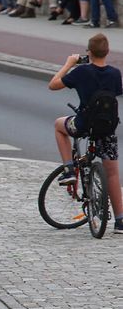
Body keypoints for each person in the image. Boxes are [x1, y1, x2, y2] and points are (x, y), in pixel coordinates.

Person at [49, 34, 123, 233]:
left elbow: (53, 85)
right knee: (113, 172)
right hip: (106, 128)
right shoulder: (115, 74)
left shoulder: (81, 72)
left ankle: (70, 170)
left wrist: (68, 64)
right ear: (107, 52)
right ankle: (120, 220)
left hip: (83, 125)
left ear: (88, 52)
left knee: (58, 125)